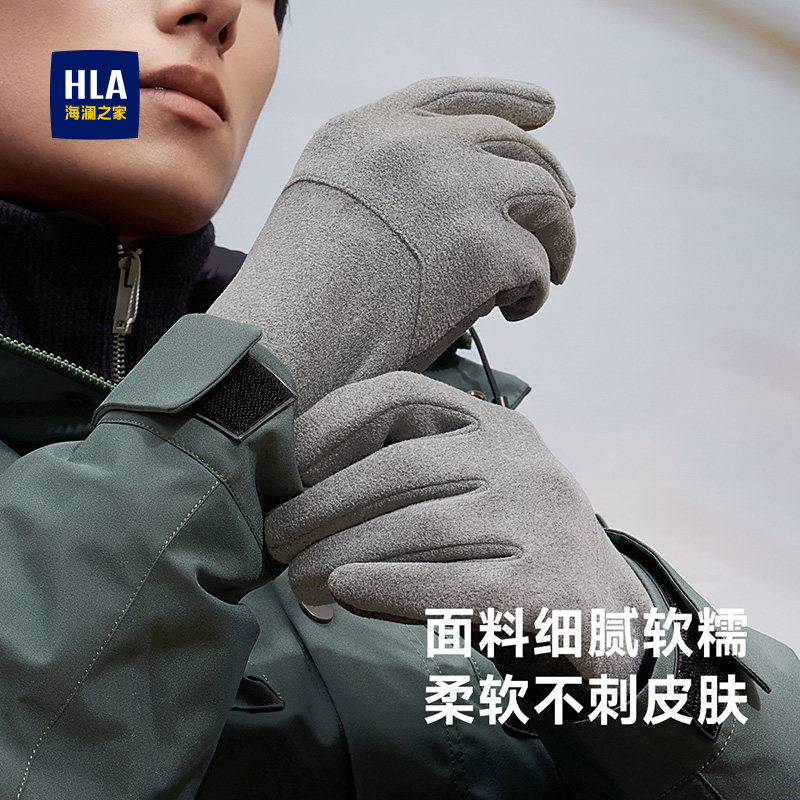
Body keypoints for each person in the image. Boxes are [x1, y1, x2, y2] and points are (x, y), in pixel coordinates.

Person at [0, 1, 797, 798]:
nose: (220, 11)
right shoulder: (286, 384)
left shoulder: (413, 431)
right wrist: (242, 384)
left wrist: (657, 664)